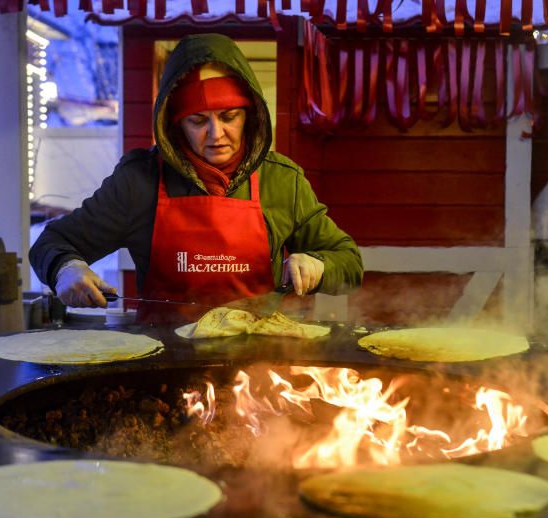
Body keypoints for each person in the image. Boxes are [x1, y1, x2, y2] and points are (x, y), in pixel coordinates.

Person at [30, 33, 363, 323]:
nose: (216, 134)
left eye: (229, 116)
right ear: (176, 124)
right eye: (198, 120)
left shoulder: (282, 180)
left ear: (250, 115)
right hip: (162, 363)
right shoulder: (138, 182)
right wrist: (66, 268)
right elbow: (52, 244)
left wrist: (319, 264)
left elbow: (348, 263)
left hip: (259, 369)